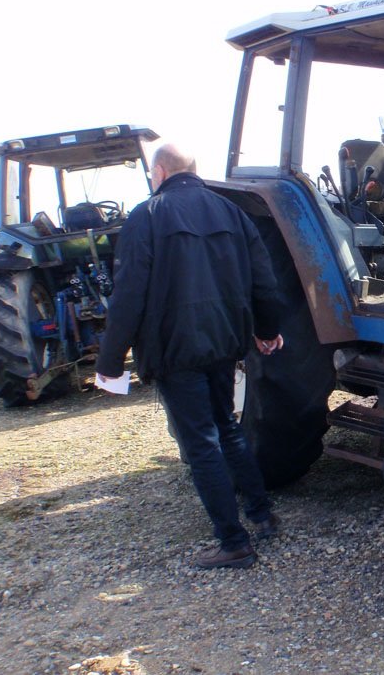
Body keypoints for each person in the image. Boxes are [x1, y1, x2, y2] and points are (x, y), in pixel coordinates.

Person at [96, 143, 284, 570]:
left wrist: (110, 363)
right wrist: (267, 330)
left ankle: (233, 542)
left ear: (160, 172)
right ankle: (262, 515)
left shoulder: (146, 215)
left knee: (201, 443)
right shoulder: (232, 213)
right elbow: (264, 281)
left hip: (174, 350)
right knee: (227, 427)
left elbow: (128, 296)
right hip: (223, 342)